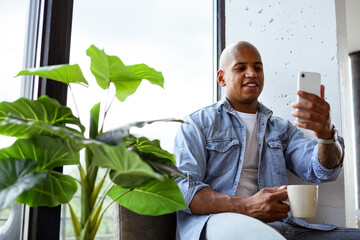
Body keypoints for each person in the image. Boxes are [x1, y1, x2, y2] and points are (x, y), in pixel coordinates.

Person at [173, 41, 360, 240]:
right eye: (241, 68)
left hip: (281, 228)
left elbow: (322, 171)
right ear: (221, 78)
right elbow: (185, 190)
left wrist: (326, 136)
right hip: (219, 224)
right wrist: (248, 206)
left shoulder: (281, 129)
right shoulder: (196, 124)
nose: (252, 73)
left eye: (258, 67)